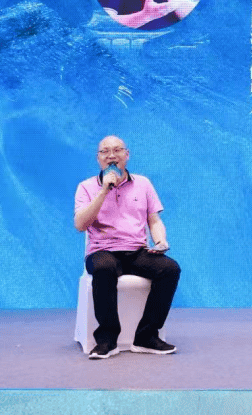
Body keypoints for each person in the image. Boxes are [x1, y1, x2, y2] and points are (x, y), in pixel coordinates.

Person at [74, 136, 181, 359]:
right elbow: (80, 225)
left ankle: (146, 336)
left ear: (127, 155)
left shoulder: (143, 184)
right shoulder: (85, 187)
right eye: (105, 152)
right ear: (98, 158)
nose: (111, 156)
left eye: (117, 150)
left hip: (137, 251)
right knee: (104, 268)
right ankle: (107, 339)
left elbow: (154, 220)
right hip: (102, 251)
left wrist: (160, 241)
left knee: (170, 269)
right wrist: (103, 191)